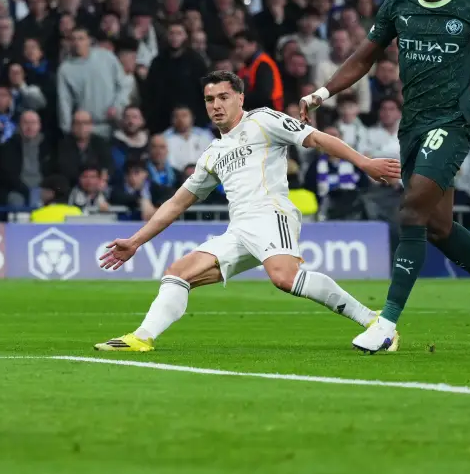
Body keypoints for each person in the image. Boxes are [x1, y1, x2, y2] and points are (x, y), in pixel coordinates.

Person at [300, 0, 470, 353]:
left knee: (412, 208)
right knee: (437, 227)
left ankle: (385, 325)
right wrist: (321, 94)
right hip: (413, 125)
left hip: (453, 122)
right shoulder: (399, 4)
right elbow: (365, 56)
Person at [95, 71, 401, 352]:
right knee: (178, 273)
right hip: (239, 229)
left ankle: (374, 321)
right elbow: (176, 203)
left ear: (240, 98)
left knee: (284, 278)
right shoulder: (212, 155)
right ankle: (142, 338)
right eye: (210, 99)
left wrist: (365, 162)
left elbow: (316, 138)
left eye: (223, 97)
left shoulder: (263, 120)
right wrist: (135, 241)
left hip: (271, 214)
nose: (216, 105)